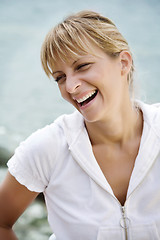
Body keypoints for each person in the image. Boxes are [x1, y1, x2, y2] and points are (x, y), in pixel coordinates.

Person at [0, 10, 160, 240]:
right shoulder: (47, 149)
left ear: (123, 63)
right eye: (59, 77)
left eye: (82, 66)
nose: (71, 86)